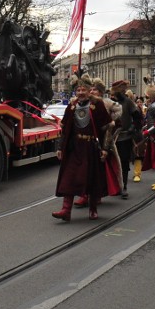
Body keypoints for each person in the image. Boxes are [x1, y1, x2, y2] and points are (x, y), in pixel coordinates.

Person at [53, 73, 112, 221]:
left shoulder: (97, 105)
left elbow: (107, 128)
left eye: (83, 90)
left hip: (91, 148)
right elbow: (65, 128)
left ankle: (93, 209)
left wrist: (105, 149)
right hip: (74, 148)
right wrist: (60, 148)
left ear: (88, 90)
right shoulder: (72, 106)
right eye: (78, 90)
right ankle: (66, 210)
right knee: (69, 178)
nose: (80, 93)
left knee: (92, 179)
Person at [74, 78, 121, 208]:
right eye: (92, 88)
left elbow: (116, 113)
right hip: (85, 140)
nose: (92, 91)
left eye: (95, 89)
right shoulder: (82, 103)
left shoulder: (104, 103)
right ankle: (84, 195)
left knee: (101, 168)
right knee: (84, 169)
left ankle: (97, 194)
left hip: (102, 138)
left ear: (100, 92)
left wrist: (111, 121)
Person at [111, 80, 141, 198]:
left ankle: (123, 186)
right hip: (111, 137)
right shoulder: (110, 102)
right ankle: (113, 186)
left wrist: (132, 128)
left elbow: (137, 118)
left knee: (123, 162)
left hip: (124, 136)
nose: (121, 92)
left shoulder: (128, 102)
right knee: (111, 162)